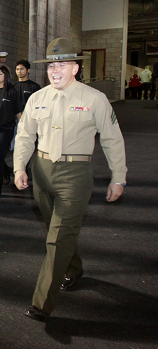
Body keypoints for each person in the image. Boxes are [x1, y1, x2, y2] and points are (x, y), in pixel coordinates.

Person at [14, 37, 127, 322]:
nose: (55, 71)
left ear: (75, 68)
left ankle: (42, 303)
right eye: (52, 65)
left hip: (74, 175)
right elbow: (25, 136)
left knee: (57, 238)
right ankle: (74, 269)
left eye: (62, 64)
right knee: (59, 230)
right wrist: (19, 168)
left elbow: (112, 139)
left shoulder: (94, 99)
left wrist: (119, 178)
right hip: (41, 171)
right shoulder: (37, 98)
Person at [0, 65, 21, 198]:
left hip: (6, 128)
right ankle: (6, 171)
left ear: (6, 75)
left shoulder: (12, 92)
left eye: (0, 73)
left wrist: (22, 129)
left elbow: (18, 112)